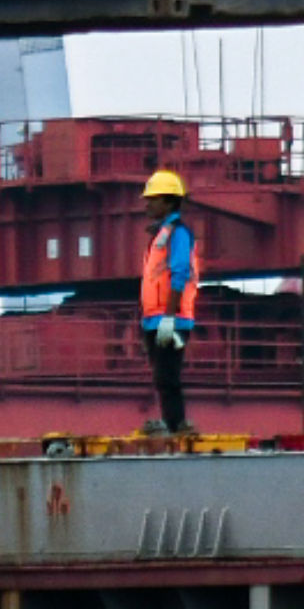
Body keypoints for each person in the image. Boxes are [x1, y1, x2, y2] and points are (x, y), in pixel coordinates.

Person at [139, 168, 201, 434]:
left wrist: (170, 316)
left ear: (168, 201)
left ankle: (177, 426)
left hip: (170, 318)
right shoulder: (161, 234)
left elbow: (179, 273)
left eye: (153, 198)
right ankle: (172, 423)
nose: (148, 203)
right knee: (161, 377)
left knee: (168, 376)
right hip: (155, 319)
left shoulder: (178, 233)